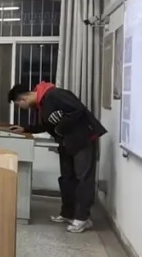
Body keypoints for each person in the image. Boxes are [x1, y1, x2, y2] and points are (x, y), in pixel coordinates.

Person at [8, 81, 107, 233]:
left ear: (23, 99)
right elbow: (48, 125)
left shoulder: (54, 94)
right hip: (67, 141)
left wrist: (60, 125)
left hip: (83, 139)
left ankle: (82, 218)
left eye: (18, 105)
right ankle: (68, 213)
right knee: (67, 178)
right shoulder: (42, 103)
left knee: (83, 178)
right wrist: (26, 129)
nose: (21, 108)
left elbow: (78, 109)